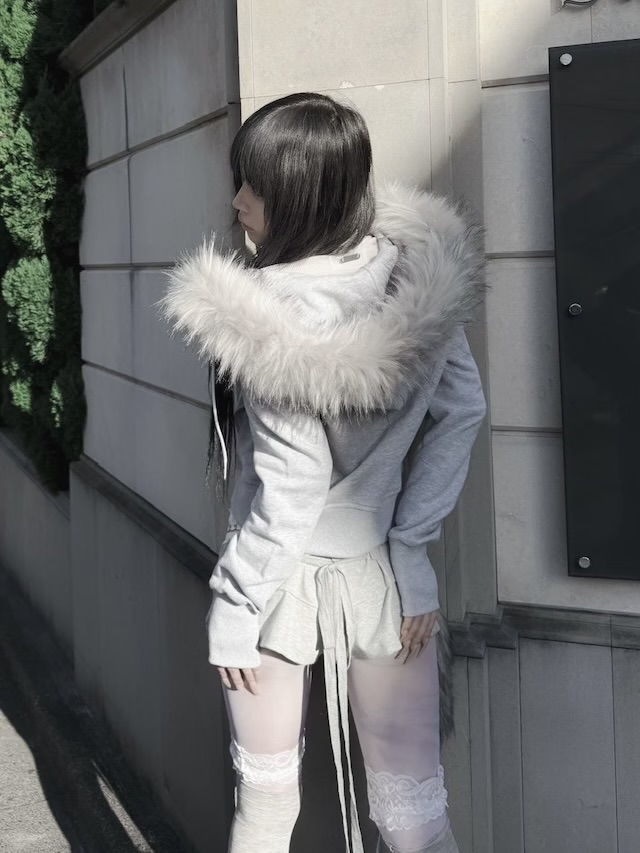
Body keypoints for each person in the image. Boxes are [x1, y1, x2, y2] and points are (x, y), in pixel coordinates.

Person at [161, 92, 486, 853]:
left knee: (266, 807)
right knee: (414, 813)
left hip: (276, 585)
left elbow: (294, 484)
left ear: (299, 196)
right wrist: (410, 547)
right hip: (383, 579)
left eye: (253, 184)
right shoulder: (417, 286)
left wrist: (236, 605)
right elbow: (462, 411)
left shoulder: (266, 319)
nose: (238, 201)